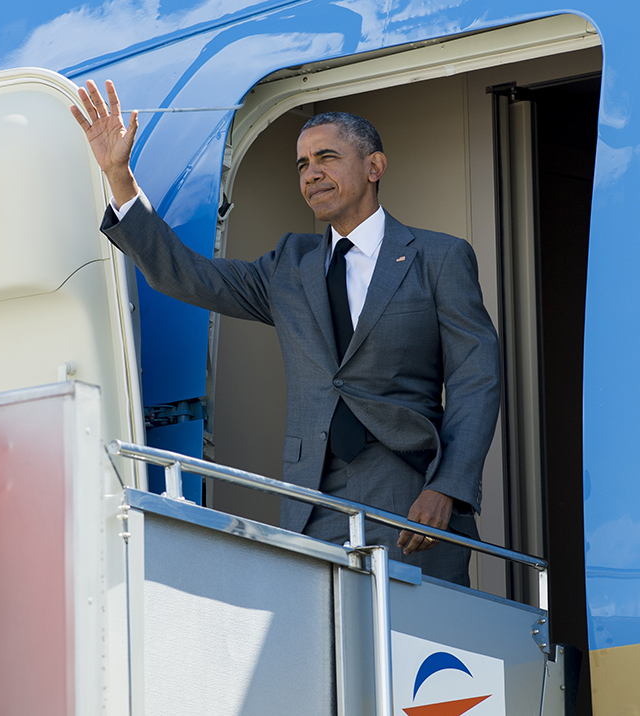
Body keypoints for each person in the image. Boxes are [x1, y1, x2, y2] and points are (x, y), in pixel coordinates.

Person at [71, 80, 500, 585]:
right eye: (302, 164)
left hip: (410, 497)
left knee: (418, 651)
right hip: (311, 502)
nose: (311, 173)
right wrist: (118, 177)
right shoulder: (289, 266)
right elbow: (186, 274)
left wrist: (448, 487)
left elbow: (477, 378)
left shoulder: (439, 257)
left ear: (374, 167)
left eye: (326, 158)